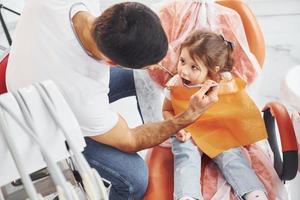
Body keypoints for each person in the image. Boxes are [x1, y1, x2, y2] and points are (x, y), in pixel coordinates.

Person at [6, 1, 219, 199]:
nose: (157, 67)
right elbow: (131, 139)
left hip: (25, 70)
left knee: (143, 79)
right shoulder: (83, 96)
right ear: (110, 62)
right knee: (135, 179)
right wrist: (187, 116)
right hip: (41, 122)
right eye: (150, 65)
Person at [162, 30, 268, 200]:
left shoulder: (223, 82)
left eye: (194, 67)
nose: (184, 71)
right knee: (186, 155)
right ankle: (187, 195)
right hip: (188, 130)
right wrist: (176, 126)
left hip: (216, 130)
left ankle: (253, 192)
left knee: (231, 156)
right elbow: (166, 110)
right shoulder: (175, 84)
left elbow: (237, 106)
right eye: (182, 61)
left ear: (213, 70)